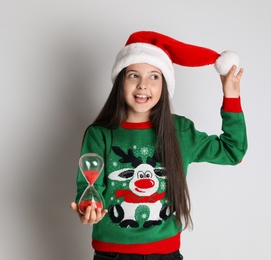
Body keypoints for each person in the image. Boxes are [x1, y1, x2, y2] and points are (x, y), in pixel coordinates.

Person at [70, 31, 247, 260]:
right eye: (134, 75)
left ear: (164, 84)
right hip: (111, 253)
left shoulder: (180, 131)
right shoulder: (100, 134)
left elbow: (233, 151)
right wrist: (89, 209)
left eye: (154, 76)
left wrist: (231, 97)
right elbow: (90, 186)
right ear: (120, 81)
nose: (143, 85)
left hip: (166, 254)